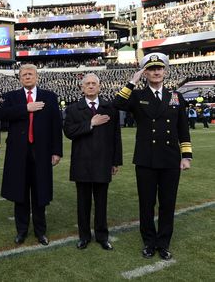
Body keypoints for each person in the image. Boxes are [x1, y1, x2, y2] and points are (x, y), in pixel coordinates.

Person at [114, 52, 192, 260]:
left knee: (168, 203)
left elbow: (183, 129)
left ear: (165, 71)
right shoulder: (137, 96)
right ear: (145, 73)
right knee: (146, 203)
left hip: (170, 159)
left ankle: (163, 243)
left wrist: (186, 156)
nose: (156, 72)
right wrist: (132, 82)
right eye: (151, 69)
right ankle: (149, 242)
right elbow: (117, 104)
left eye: (159, 69)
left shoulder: (176, 97)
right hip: (146, 159)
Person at [0, 64, 63, 246]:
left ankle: (40, 232)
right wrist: (26, 108)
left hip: (41, 153)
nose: (27, 76)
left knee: (40, 194)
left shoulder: (50, 97)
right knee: (20, 194)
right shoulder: (11, 97)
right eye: (24, 74)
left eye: (30, 73)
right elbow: (2, 114)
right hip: (18, 154)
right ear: (20, 78)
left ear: (37, 76)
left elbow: (56, 126)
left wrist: (56, 151)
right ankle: (21, 231)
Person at [63, 73, 122, 250]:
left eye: (93, 83)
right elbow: (68, 132)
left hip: (103, 163)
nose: (90, 86)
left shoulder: (110, 108)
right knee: (83, 203)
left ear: (99, 86)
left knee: (101, 202)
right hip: (82, 163)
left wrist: (115, 161)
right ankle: (84, 236)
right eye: (87, 83)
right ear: (82, 87)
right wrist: (91, 123)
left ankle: (102, 236)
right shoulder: (73, 109)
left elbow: (115, 137)